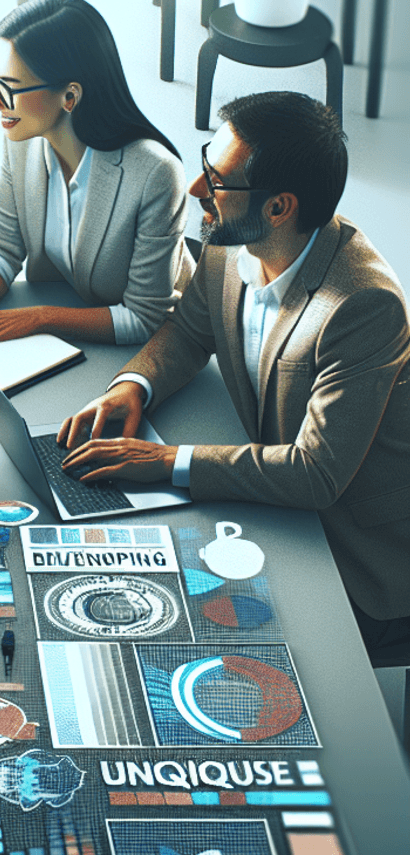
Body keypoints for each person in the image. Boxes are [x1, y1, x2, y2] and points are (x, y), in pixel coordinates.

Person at [57, 92, 410, 666]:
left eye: (217, 181)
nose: (197, 189)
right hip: (270, 511)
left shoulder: (362, 305)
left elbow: (316, 475)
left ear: (279, 207)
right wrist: (132, 387)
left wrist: (166, 462)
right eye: (205, 165)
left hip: (355, 559)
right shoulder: (232, 243)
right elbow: (188, 330)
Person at [0, 0, 193, 348]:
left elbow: (145, 318)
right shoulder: (21, 142)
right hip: (76, 321)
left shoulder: (156, 174)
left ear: (69, 97)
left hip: (156, 345)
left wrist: (39, 319)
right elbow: (2, 248)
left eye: (9, 88)